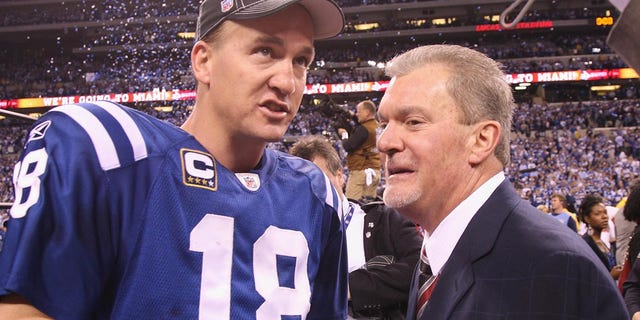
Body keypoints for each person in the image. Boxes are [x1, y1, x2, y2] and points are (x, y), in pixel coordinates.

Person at [0, 1, 348, 319]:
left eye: (301, 61)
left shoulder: (315, 195)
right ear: (203, 61)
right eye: (264, 51)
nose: (287, 81)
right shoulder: (113, 154)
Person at [375, 44, 628, 319]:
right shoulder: (436, 252)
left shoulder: (552, 266)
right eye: (383, 124)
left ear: (481, 140)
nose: (384, 141)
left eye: (413, 122)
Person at [289, 135, 422, 319]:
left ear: (340, 177)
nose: (311, 190)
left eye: (319, 180)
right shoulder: (286, 233)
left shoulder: (385, 220)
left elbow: (419, 267)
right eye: (300, 184)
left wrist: (346, 287)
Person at [337, 100, 381, 202]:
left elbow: (348, 146)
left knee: (352, 205)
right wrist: (351, 116)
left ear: (366, 112)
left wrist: (344, 134)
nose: (357, 114)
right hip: (375, 170)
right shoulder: (377, 126)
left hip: (361, 171)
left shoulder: (363, 129)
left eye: (358, 112)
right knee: (369, 206)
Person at [579, 194, 622, 280]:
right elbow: (587, 278)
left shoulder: (601, 241)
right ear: (587, 219)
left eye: (605, 212)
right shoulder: (586, 244)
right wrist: (611, 277)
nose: (604, 217)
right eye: (598, 214)